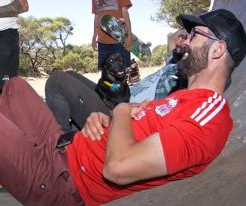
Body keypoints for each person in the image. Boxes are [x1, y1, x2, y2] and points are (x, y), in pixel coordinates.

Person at [0, 8, 246, 206]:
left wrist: (122, 109)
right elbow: (132, 129)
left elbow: (120, 167)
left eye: (193, 35)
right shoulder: (186, 100)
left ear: (218, 50)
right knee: (18, 88)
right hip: (63, 147)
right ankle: (3, 166)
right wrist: (106, 119)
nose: (183, 41)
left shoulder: (209, 118)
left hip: (60, 183)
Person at [45, 28, 189, 132]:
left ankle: (62, 139)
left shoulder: (183, 73)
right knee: (70, 74)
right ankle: (75, 125)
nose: (185, 41)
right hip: (117, 95)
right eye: (186, 37)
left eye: (190, 39)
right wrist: (185, 31)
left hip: (119, 114)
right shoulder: (173, 64)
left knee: (57, 80)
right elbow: (172, 39)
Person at [91, 0, 133, 69]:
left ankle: (119, 87)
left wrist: (129, 34)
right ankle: (113, 87)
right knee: (107, 77)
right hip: (102, 41)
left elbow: (125, 13)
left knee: (120, 73)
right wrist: (94, 36)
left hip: (119, 39)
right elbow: (96, 16)